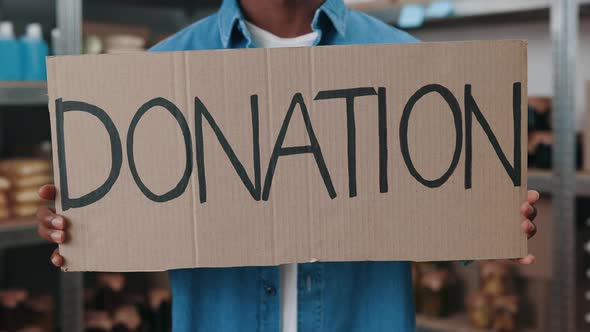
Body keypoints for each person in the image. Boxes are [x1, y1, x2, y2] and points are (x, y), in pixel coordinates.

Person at [36, 0, 540, 331]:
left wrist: (496, 217)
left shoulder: (406, 63)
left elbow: (453, 208)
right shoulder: (158, 74)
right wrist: (79, 224)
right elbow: (125, 213)